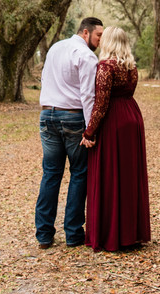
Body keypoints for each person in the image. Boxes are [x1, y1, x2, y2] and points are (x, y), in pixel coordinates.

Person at [34, 17, 104, 250]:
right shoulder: (86, 56)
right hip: (72, 117)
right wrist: (90, 130)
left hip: (47, 115)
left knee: (51, 173)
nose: (100, 40)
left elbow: (45, 79)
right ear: (86, 32)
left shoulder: (56, 48)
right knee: (79, 173)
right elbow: (88, 95)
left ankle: (44, 235)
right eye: (98, 35)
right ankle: (73, 234)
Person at [80, 26, 151, 252]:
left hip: (114, 122)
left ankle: (112, 235)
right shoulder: (131, 66)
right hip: (132, 117)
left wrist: (89, 132)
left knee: (110, 174)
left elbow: (101, 104)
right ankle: (132, 233)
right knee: (129, 176)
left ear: (109, 42)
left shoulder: (105, 66)